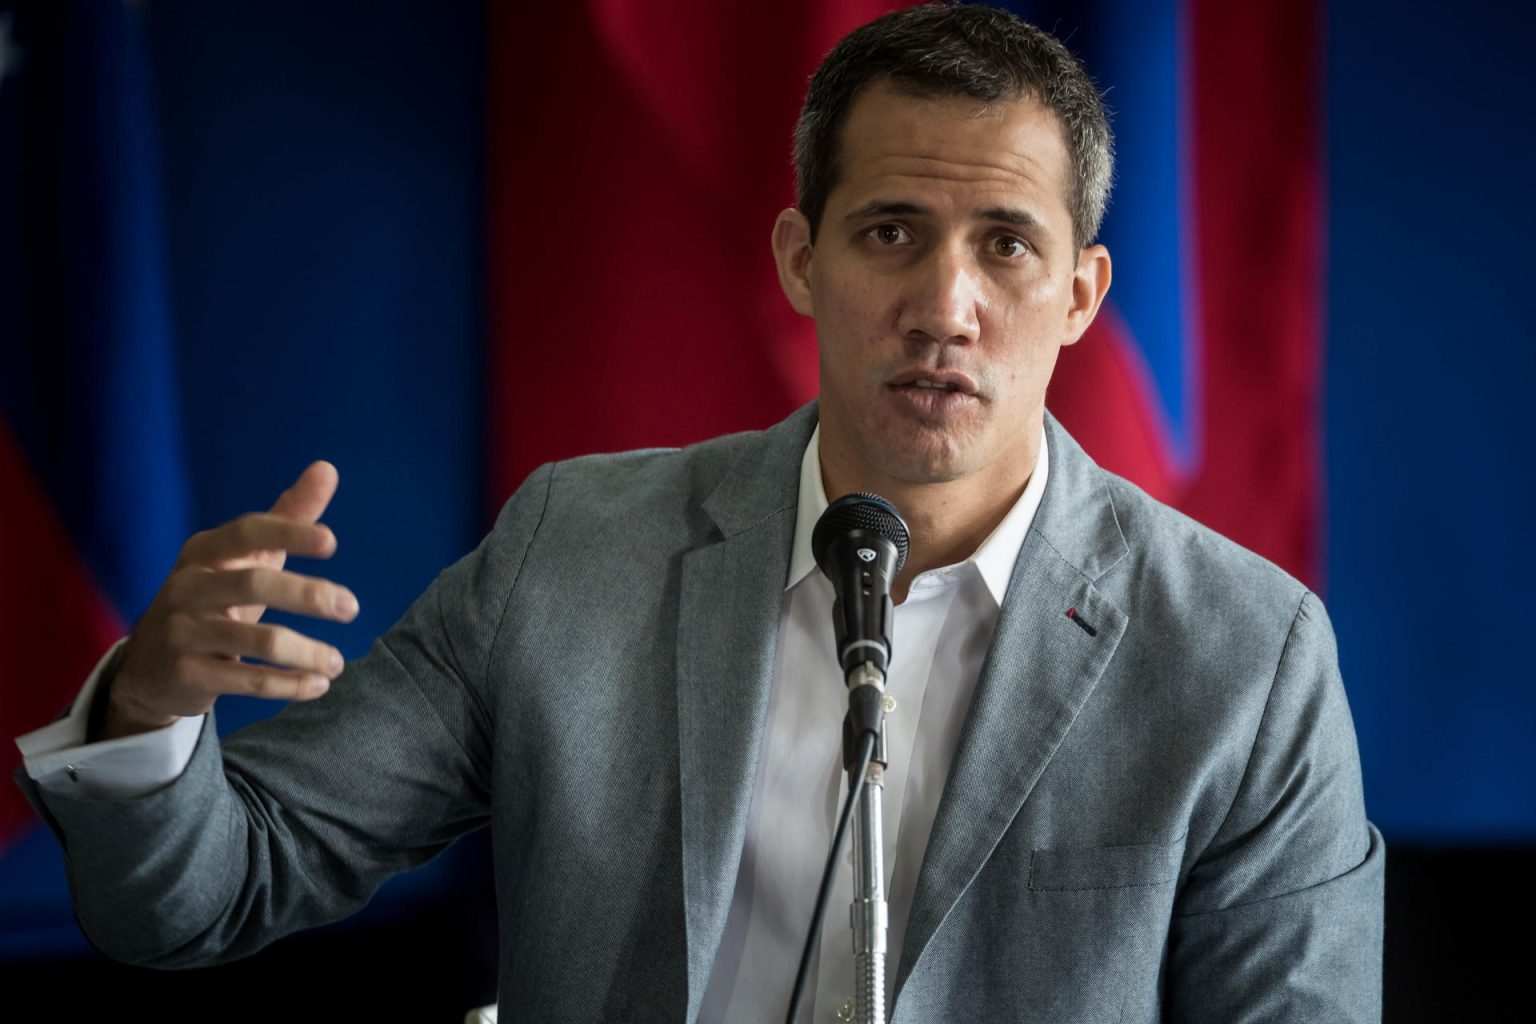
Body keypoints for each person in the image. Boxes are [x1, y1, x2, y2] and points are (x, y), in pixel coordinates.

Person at [15, 4, 1384, 1021]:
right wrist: (146, 709)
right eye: (891, 232)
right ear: (803, 259)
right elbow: (202, 900)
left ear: (1082, 296)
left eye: (1005, 246)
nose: (945, 308)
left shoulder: (1246, 659)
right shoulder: (573, 550)